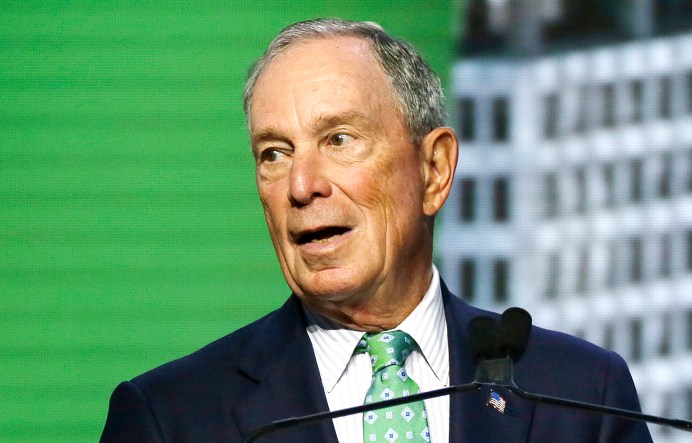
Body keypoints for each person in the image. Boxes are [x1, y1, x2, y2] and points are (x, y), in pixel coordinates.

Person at [101, 18, 653, 442]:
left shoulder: (581, 395)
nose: (301, 185)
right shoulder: (171, 419)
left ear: (433, 169)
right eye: (274, 153)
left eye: (339, 139)